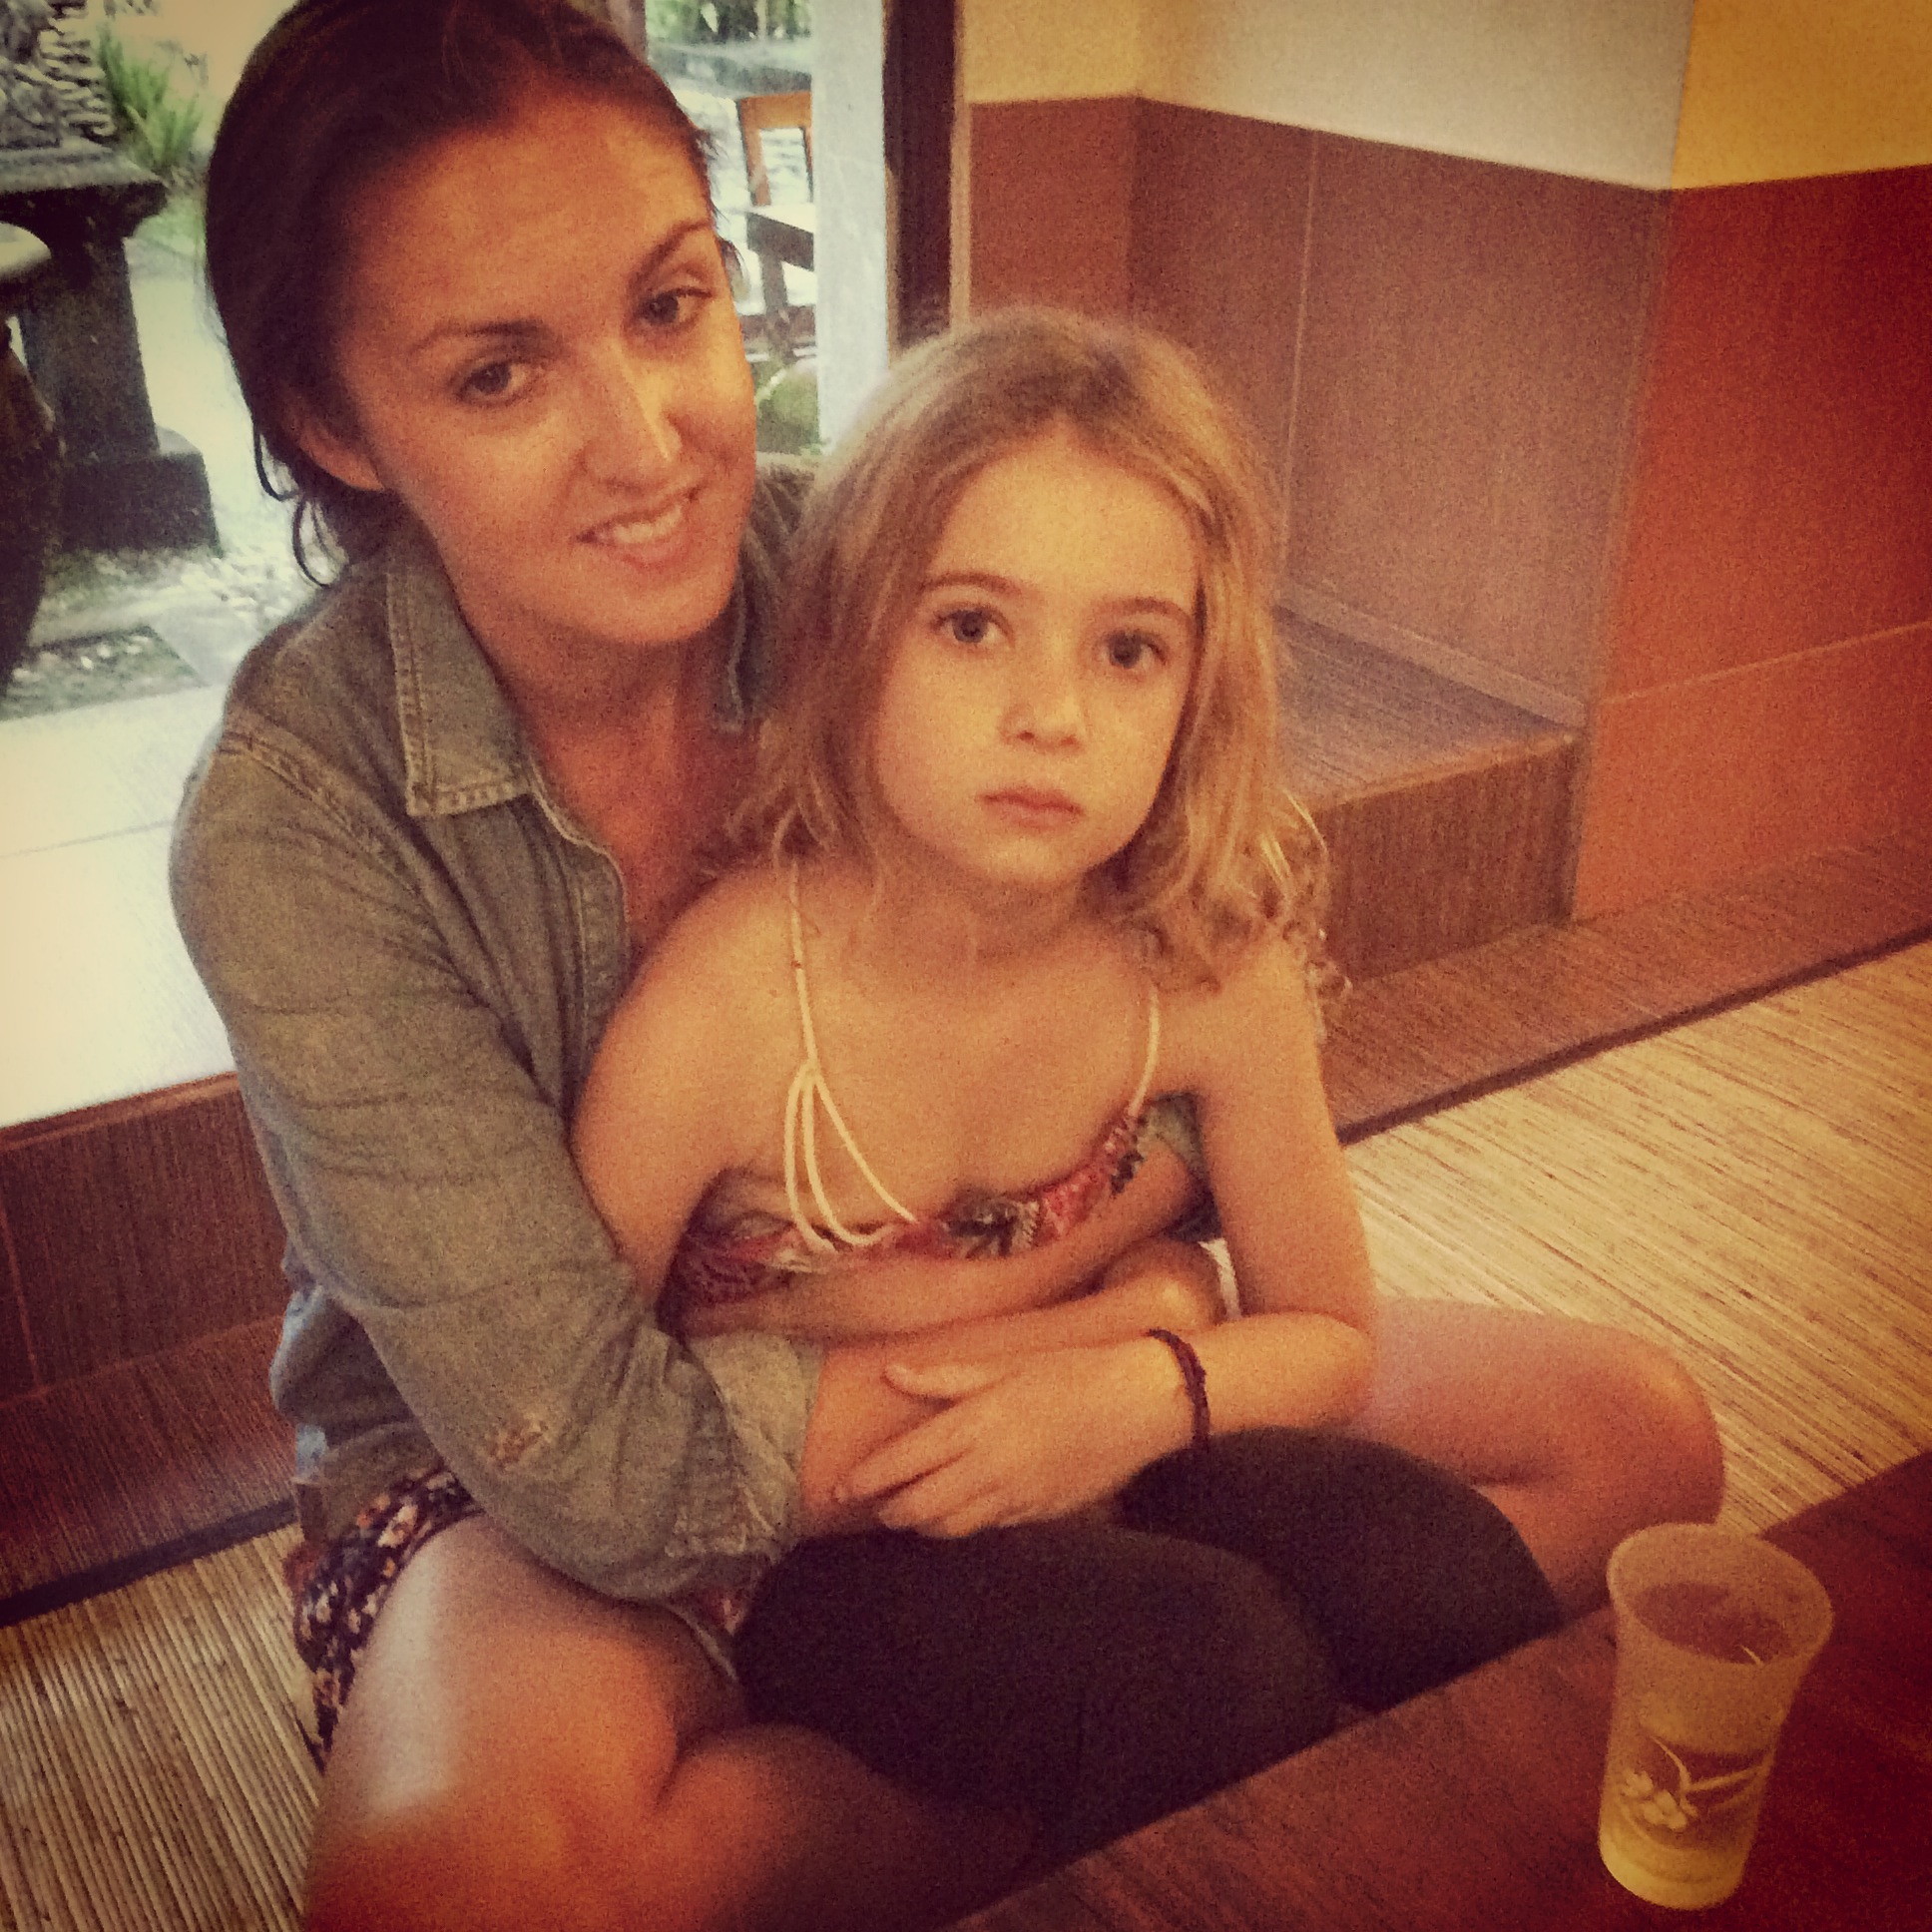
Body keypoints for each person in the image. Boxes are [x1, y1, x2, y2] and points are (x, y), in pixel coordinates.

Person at [170, 2, 1722, 1927]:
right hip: (556, 1458)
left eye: (671, 307)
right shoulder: (298, 826)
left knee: (1636, 1448)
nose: (648, 443)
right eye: (499, 375)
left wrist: (1159, 1363)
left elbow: (1192, 938)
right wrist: (1124, 1324)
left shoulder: (898, 563)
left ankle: (1153, 1712)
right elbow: (589, 1446)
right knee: (463, 1896)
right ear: (335, 422)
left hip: (1055, 1349)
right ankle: (1169, 1744)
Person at [569, 307, 1574, 1838]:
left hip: (1120, 1432)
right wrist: (1129, 1315)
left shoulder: (1207, 959)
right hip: (821, 1548)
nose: (1053, 716)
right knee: (1213, 1673)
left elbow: (1327, 1331)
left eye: (1129, 650)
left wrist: (1141, 1386)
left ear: (1199, 688)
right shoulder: (726, 1002)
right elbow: (589, 1409)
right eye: (973, 626)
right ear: (848, 639)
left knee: (1438, 1576)